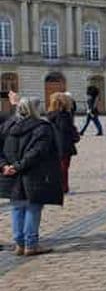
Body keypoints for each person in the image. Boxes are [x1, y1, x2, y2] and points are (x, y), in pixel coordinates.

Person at [0, 97, 64, 255]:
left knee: (17, 208)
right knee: (32, 207)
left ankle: (19, 244)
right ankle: (30, 244)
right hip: (34, 174)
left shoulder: (7, 126)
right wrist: (16, 167)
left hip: (12, 173)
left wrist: (5, 166)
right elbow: (37, 152)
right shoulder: (42, 127)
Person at [47, 92, 80, 194]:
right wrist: (75, 134)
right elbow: (66, 130)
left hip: (54, 145)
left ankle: (55, 187)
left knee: (57, 168)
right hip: (63, 145)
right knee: (63, 168)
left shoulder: (51, 114)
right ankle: (63, 188)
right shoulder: (63, 116)